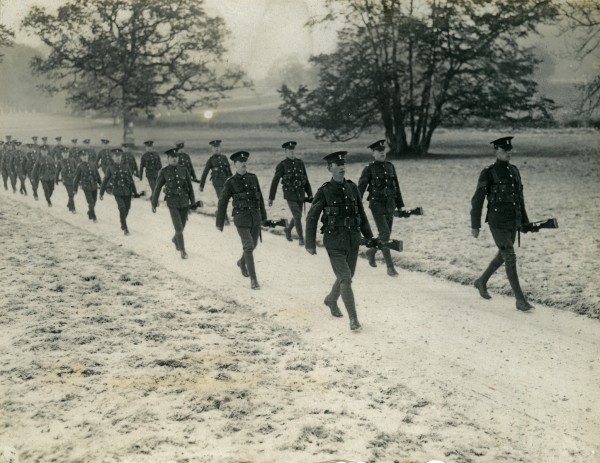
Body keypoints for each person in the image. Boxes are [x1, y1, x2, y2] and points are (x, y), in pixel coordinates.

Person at [305, 151, 374, 331]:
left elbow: (361, 213)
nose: (342, 167)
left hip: (352, 240)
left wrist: (368, 236)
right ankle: (353, 320)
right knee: (345, 278)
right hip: (334, 241)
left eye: (343, 164)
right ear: (330, 168)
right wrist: (310, 243)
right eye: (338, 165)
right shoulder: (325, 191)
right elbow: (312, 218)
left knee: (348, 276)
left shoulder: (352, 188)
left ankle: (331, 300)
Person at [470, 136, 534, 312]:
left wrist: (525, 222)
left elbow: (519, 198)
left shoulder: (514, 170)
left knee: (503, 255)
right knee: (510, 257)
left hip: (512, 220)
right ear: (496, 151)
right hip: (497, 222)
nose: (508, 153)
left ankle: (481, 281)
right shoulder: (488, 172)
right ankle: (520, 300)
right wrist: (475, 225)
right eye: (504, 150)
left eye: (510, 150)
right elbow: (477, 200)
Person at [216, 151, 267, 290]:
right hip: (241, 219)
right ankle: (254, 279)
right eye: (241, 162)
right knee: (249, 246)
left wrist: (263, 216)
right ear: (235, 165)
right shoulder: (231, 182)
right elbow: (222, 202)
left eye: (245, 162)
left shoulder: (253, 178)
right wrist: (219, 222)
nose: (244, 164)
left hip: (255, 218)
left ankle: (241, 262)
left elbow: (260, 198)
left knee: (253, 245)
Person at [357, 139, 405, 276]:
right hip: (376, 205)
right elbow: (360, 189)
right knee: (385, 235)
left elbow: (396, 187)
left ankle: (371, 251)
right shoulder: (369, 169)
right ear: (373, 153)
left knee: (386, 235)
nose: (382, 153)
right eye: (379, 151)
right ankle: (390, 267)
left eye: (383, 150)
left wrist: (400, 205)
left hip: (390, 205)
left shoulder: (390, 166)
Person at [151, 148, 195, 259]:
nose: (174, 159)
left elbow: (190, 187)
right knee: (179, 228)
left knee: (182, 226)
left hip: (184, 202)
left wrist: (193, 202)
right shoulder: (164, 171)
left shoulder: (184, 170)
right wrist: (154, 203)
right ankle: (183, 250)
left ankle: (175, 239)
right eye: (172, 157)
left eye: (176, 157)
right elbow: (157, 188)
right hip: (172, 203)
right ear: (168, 159)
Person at [268, 141, 313, 246]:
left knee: (297, 216)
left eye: (293, 150)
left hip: (301, 194)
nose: (292, 152)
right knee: (297, 215)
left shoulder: (300, 163)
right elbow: (275, 181)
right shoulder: (282, 165)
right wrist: (271, 197)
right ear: (286, 152)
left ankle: (288, 230)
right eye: (290, 150)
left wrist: (310, 194)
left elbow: (306, 180)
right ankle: (301, 239)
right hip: (290, 195)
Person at [100, 148, 139, 235]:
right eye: (116, 156)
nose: (118, 158)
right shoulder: (110, 168)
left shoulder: (126, 166)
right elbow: (105, 180)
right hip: (117, 191)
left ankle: (122, 221)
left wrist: (135, 192)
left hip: (127, 191)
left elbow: (131, 180)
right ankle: (125, 228)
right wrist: (101, 192)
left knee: (127, 208)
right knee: (122, 208)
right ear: (113, 157)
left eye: (119, 156)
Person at [199, 139, 232, 223]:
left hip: (225, 182)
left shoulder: (224, 158)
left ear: (220, 148)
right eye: (214, 148)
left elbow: (229, 171)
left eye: (218, 147)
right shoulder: (210, 160)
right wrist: (201, 185)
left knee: (224, 200)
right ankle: (225, 219)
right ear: (212, 149)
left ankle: (219, 213)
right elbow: (205, 173)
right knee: (222, 199)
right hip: (217, 183)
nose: (216, 149)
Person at [73, 150, 102, 222]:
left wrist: (101, 184)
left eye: (86, 155)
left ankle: (90, 212)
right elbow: (76, 178)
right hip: (86, 187)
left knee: (94, 201)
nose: (85, 157)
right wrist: (75, 189)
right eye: (83, 156)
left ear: (88, 156)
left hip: (94, 186)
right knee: (91, 202)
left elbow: (97, 175)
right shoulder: (80, 166)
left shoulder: (93, 164)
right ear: (80, 157)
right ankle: (94, 217)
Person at [55, 147, 78, 212]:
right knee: (70, 194)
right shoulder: (60, 162)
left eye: (67, 153)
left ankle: (69, 204)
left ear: (68, 153)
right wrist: (56, 180)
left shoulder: (73, 160)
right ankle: (72, 208)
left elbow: (77, 170)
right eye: (64, 153)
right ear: (62, 154)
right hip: (66, 180)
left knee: (73, 193)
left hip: (73, 180)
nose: (66, 154)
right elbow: (57, 171)